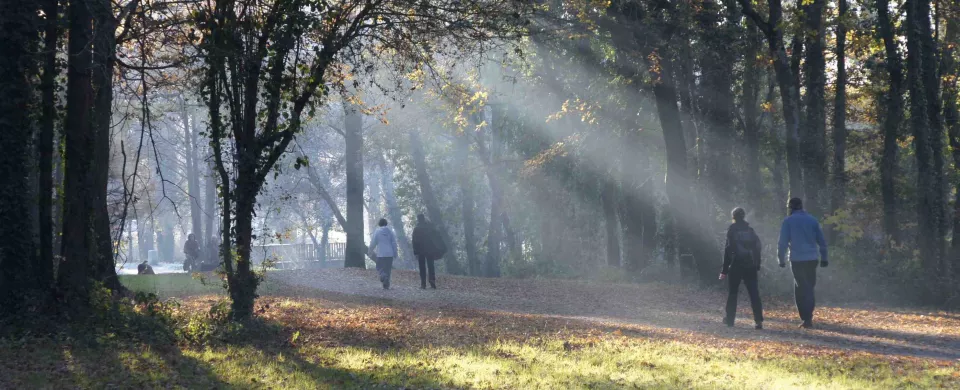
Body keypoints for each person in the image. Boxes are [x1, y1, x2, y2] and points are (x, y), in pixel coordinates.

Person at [777, 198, 828, 329]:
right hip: (812, 258)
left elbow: (782, 242)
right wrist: (824, 257)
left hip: (797, 259)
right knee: (809, 287)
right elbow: (821, 240)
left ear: (790, 208)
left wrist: (781, 259)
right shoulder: (812, 220)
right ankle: (808, 316)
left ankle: (806, 318)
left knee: (800, 288)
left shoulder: (788, 221)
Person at [720, 207, 764, 329]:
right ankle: (758, 320)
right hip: (750, 265)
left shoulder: (732, 229)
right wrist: (757, 264)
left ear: (733, 216)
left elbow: (728, 250)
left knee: (733, 292)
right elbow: (757, 248)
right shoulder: (750, 230)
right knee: (754, 292)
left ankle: (730, 320)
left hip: (736, 265)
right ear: (744, 216)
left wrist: (724, 270)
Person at [412, 214, 446, 289]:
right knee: (431, 265)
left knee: (422, 267)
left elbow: (414, 241)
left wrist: (415, 252)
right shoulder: (430, 227)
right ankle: (432, 280)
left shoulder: (416, 229)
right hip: (429, 250)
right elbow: (437, 236)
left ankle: (423, 283)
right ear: (424, 219)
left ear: (418, 219)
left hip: (420, 251)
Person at [369, 218, 399, 289]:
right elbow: (394, 243)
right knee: (388, 270)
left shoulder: (377, 231)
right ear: (386, 223)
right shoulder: (390, 232)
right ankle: (386, 285)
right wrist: (395, 253)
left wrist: (370, 250)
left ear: (379, 224)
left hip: (381, 254)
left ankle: (383, 276)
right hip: (389, 254)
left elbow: (373, 242)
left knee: (379, 267)